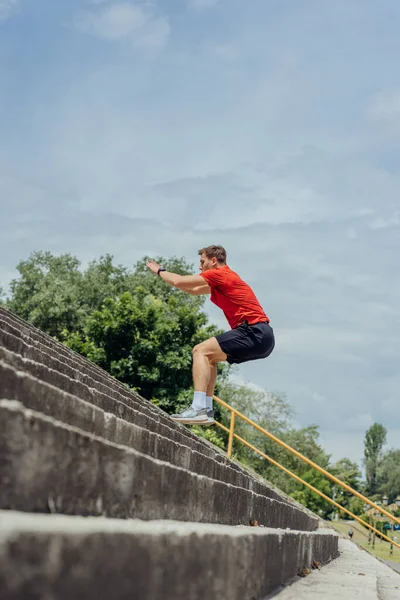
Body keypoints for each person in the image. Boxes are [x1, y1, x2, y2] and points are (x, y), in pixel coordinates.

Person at [146, 245, 275, 425]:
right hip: (263, 337)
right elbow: (192, 290)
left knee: (200, 351)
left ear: (213, 261)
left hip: (254, 331)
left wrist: (159, 270)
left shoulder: (219, 274)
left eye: (202, 262)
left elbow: (179, 281)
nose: (200, 267)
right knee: (210, 358)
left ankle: (197, 408)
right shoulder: (223, 279)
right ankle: (207, 409)